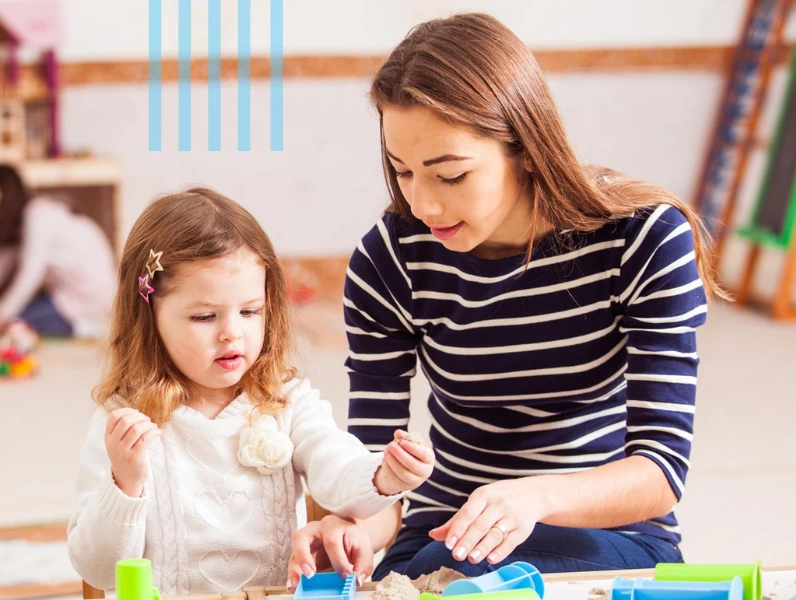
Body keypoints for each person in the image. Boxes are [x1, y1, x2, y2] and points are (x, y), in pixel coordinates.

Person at [288, 12, 727, 583]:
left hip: (608, 537)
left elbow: (660, 470)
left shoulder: (641, 241)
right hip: (445, 533)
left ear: (523, 145)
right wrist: (348, 530)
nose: (424, 205)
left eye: (450, 176)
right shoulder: (390, 261)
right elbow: (375, 475)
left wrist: (531, 499)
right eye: (402, 172)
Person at [66, 188, 434, 595]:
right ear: (149, 317)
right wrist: (125, 483)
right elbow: (99, 571)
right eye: (204, 316)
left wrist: (383, 475)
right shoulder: (123, 422)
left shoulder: (286, 401)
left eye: (250, 311)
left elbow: (335, 468)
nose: (232, 332)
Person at [0, 165, 116, 338]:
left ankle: (84, 327)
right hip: (64, 291)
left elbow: (30, 276)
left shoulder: (40, 217)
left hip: (88, 296)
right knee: (20, 312)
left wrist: (0, 318)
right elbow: (2, 261)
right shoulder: (26, 219)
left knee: (16, 323)